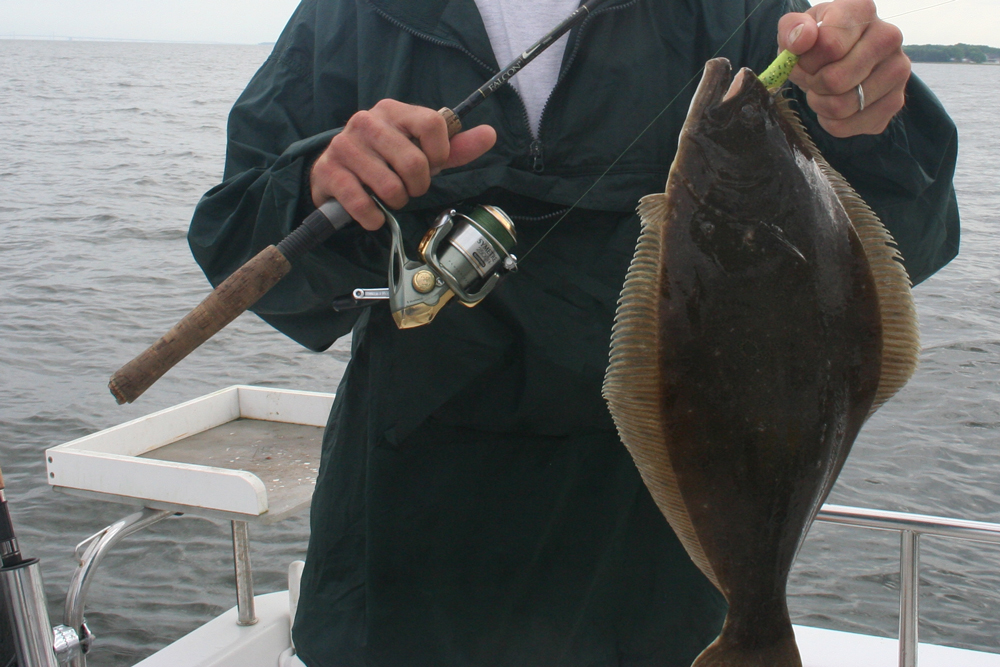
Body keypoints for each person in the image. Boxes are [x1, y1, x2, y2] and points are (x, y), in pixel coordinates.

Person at [189, 0, 959, 665]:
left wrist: (868, 117)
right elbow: (235, 243)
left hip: (653, 596)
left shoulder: (737, 8)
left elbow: (908, 240)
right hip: (401, 580)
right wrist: (319, 180)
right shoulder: (358, 14)